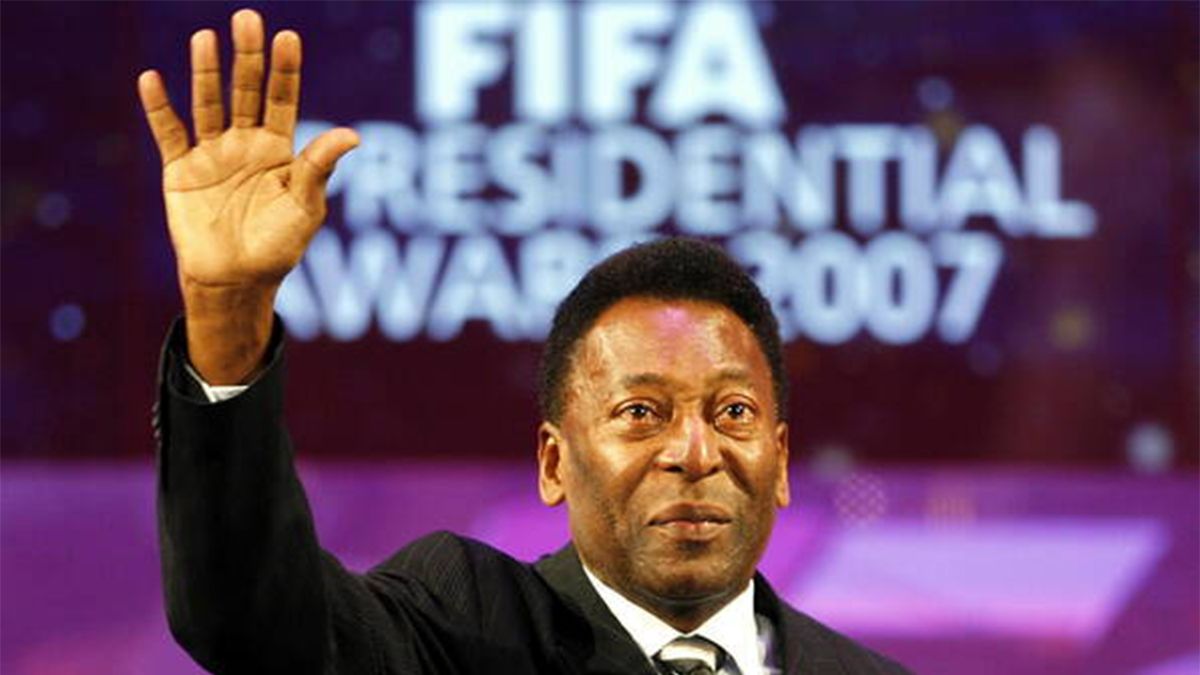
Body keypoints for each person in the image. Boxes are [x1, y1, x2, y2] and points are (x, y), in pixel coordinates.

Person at [140, 9, 911, 675]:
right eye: (641, 411)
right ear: (553, 462)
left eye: (733, 412)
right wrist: (229, 311)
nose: (694, 452)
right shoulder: (463, 626)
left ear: (780, 460)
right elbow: (251, 614)